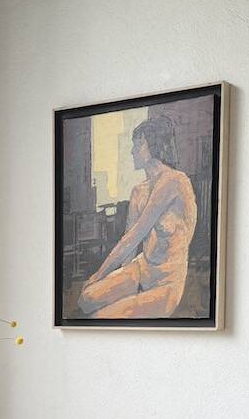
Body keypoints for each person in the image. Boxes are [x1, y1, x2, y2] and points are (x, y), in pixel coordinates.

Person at [79, 114, 197, 319]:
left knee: (98, 318)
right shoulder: (138, 191)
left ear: (154, 145)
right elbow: (129, 244)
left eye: (139, 144)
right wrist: (121, 281)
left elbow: (136, 234)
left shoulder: (174, 181)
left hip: (166, 282)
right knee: (86, 297)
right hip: (142, 269)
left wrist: (99, 274)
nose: (133, 150)